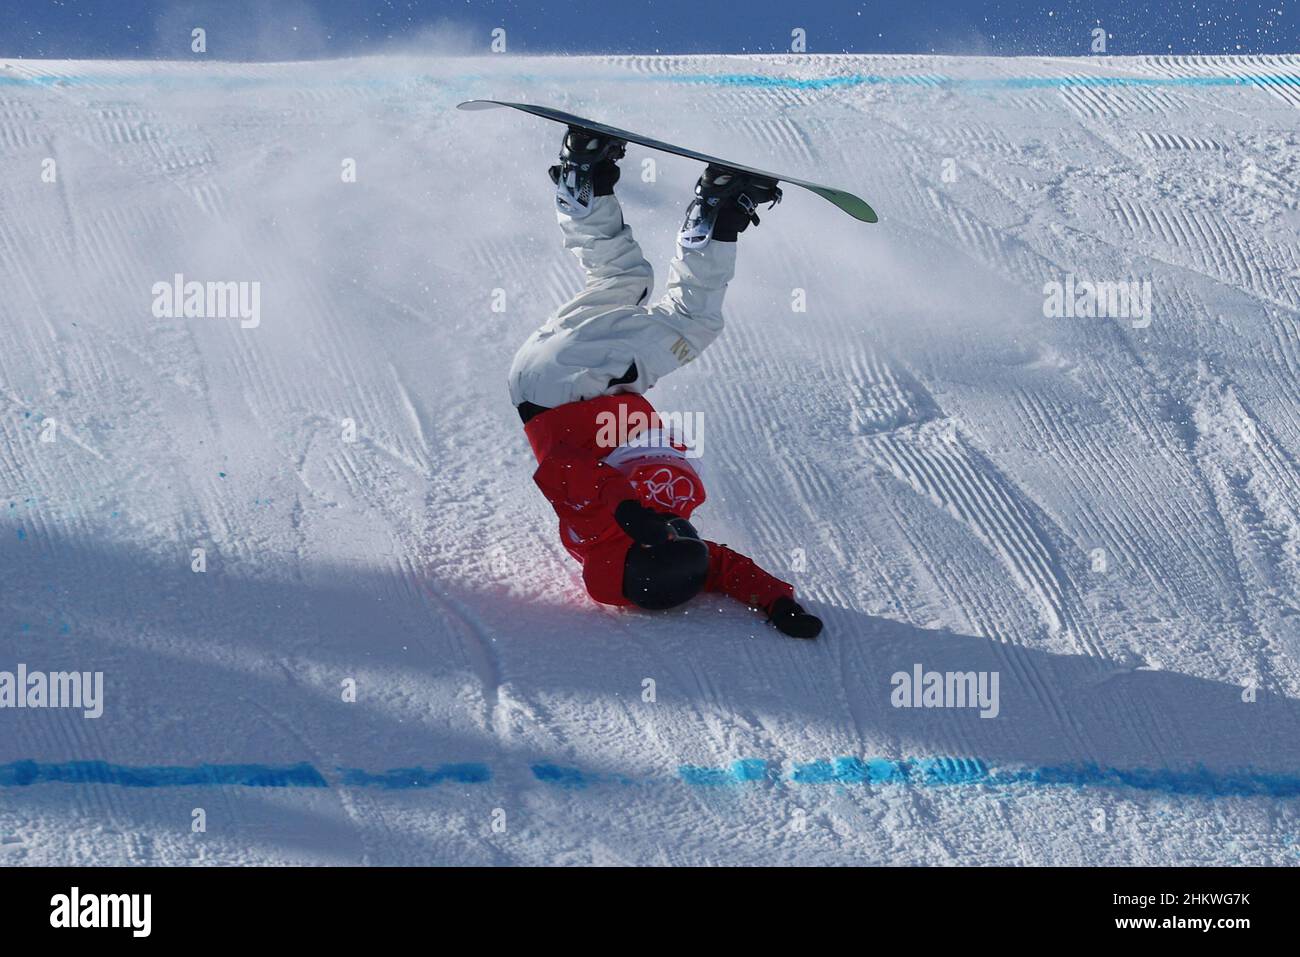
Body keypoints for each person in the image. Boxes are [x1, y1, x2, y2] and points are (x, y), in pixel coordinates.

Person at [507, 127, 822, 639]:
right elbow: (721, 569)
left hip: (575, 390)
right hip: (566, 380)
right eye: (689, 536)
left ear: (642, 549)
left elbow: (564, 471)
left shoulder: (596, 531)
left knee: (691, 324)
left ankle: (717, 207)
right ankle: (581, 176)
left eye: (676, 535)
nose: (684, 528)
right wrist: (778, 603)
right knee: (624, 280)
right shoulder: (677, 544)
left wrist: (629, 514)